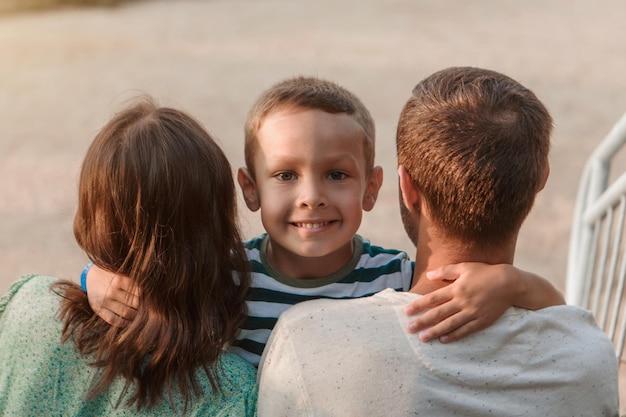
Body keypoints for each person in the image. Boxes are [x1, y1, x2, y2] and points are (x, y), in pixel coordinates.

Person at [84, 76, 564, 367]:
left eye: (336, 174)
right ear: (250, 189)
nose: (311, 197)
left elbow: (560, 317)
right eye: (285, 175)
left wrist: (511, 284)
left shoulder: (397, 279)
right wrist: (96, 277)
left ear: (372, 188)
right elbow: (152, 299)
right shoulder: (226, 275)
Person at [256, 67, 619, 416]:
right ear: (542, 178)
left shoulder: (305, 339)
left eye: (335, 175)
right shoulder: (590, 357)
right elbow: (564, 315)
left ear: (406, 187)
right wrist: (517, 282)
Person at [0, 97, 258, 416]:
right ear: (215, 225)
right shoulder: (230, 391)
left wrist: (91, 273)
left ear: (91, 214)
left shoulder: (25, 303)